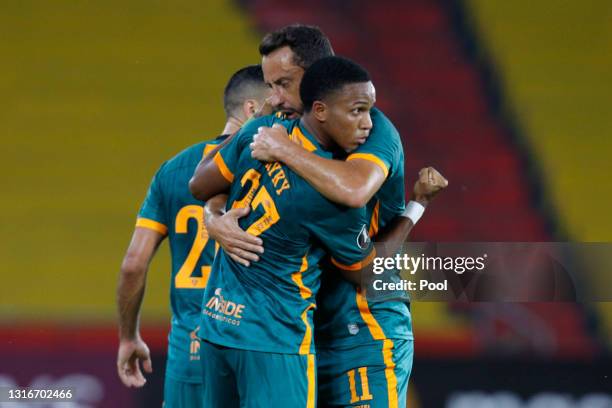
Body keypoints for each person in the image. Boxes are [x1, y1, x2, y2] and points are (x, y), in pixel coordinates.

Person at [193, 25, 447, 408]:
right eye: (269, 85)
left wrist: (281, 147)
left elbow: (353, 189)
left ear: (317, 84)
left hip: (364, 324)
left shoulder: (374, 131)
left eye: (283, 84)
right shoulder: (269, 128)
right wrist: (215, 216)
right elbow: (203, 183)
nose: (273, 99)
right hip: (304, 326)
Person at [115, 65, 270, 407]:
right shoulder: (270, 167)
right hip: (256, 347)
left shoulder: (173, 170)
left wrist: (128, 337)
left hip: (191, 350)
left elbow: (132, 265)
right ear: (252, 111)